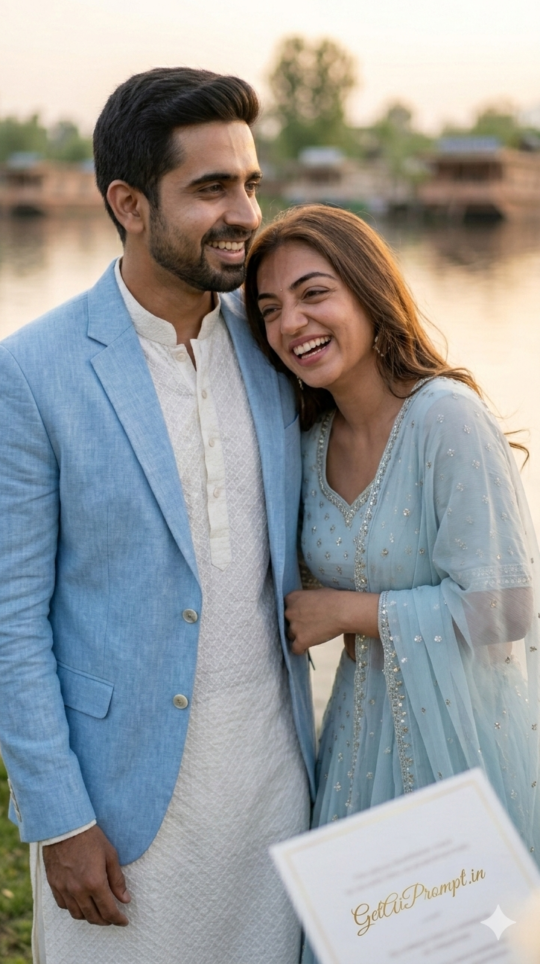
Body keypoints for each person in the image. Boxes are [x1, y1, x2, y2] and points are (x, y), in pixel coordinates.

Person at [0, 69, 315, 964]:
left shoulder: (277, 344)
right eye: (211, 188)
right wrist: (59, 818)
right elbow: (8, 619)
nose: (244, 213)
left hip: (277, 788)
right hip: (119, 805)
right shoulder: (28, 373)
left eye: (251, 184)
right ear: (129, 203)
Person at [244, 204, 540, 960]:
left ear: (370, 292)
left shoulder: (448, 419)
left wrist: (349, 611)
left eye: (314, 293)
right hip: (358, 738)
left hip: (465, 739)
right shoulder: (308, 444)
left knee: (466, 941)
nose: (291, 323)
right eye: (270, 309)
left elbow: (505, 611)